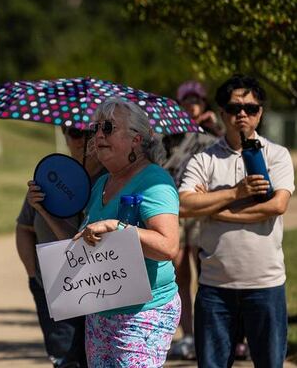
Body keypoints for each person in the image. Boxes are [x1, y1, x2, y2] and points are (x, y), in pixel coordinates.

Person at [178, 75, 293, 368]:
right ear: (221, 112)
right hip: (215, 288)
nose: (242, 114)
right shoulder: (205, 159)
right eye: (233, 107)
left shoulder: (276, 155)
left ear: (260, 113)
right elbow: (183, 204)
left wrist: (214, 209)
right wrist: (236, 192)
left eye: (251, 108)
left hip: (266, 285)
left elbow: (277, 205)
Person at [74, 97, 181, 366]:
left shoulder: (154, 180)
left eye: (108, 128)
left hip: (144, 313)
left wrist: (115, 227)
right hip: (101, 313)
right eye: (95, 128)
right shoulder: (102, 184)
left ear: (136, 139)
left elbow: (168, 247)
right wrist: (42, 207)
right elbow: (85, 241)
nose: (98, 135)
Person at [16, 125, 104, 368]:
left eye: (92, 132)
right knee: (65, 361)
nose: (84, 139)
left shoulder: (111, 182)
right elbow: (24, 228)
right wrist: (34, 276)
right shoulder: (48, 176)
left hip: (99, 290)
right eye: (74, 132)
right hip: (52, 288)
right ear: (64, 136)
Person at [163, 80, 221, 360]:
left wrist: (215, 127)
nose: (192, 105)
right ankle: (188, 335)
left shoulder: (212, 132)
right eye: (187, 101)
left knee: (206, 270)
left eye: (196, 100)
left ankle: (210, 332)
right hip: (175, 207)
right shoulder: (170, 134)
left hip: (202, 208)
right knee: (180, 272)